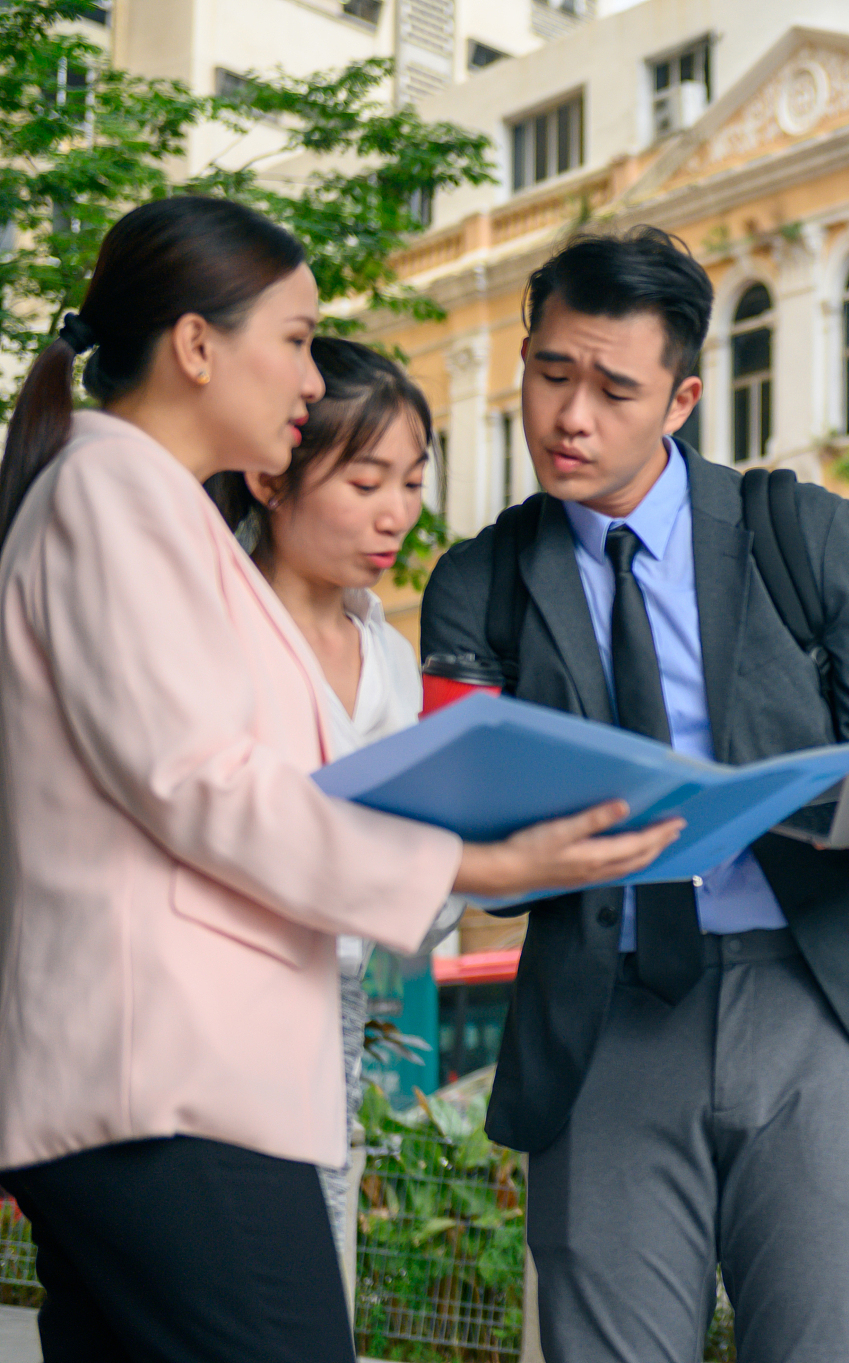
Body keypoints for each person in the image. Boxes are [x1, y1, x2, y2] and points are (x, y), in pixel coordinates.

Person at [0, 197, 677, 1362]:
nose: (313, 379)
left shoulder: (150, 512)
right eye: (300, 338)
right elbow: (199, 781)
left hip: (181, 1082)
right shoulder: (114, 497)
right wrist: (472, 860)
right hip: (165, 1084)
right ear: (198, 345)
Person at [419, 226, 849, 1363]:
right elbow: (471, 845)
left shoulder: (796, 530)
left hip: (819, 1001)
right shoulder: (478, 584)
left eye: (612, 389)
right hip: (605, 1016)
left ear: (679, 399)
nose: (569, 417)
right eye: (549, 373)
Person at [206, 336, 466, 1284]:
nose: (395, 512)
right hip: (207, 1049)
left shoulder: (391, 657)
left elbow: (419, 915)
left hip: (330, 1059)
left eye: (412, 479)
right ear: (272, 480)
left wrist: (468, 841)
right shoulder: (207, 623)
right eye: (365, 482)